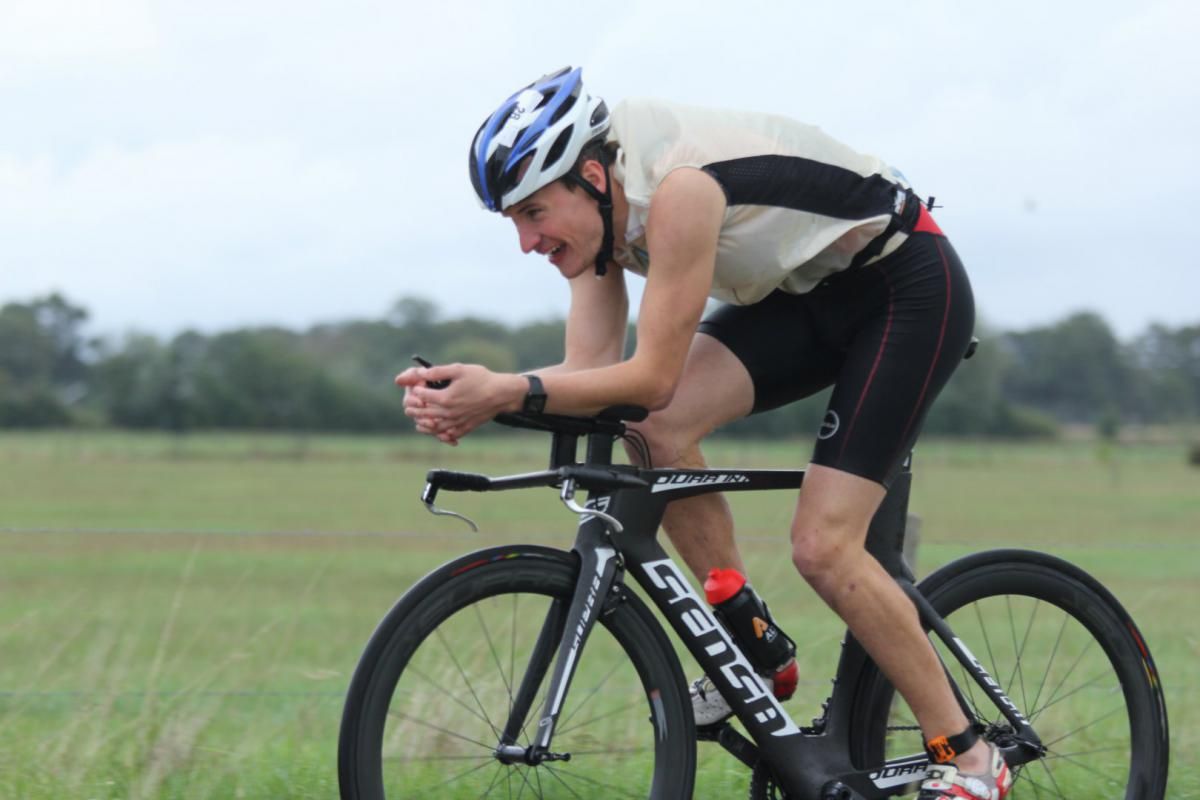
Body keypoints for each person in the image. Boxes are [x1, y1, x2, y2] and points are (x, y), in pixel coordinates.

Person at [396, 66, 1011, 800]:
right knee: (652, 430)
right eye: (513, 221)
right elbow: (592, 379)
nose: (527, 241)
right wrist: (484, 397)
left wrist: (503, 391)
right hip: (805, 294)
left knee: (823, 546)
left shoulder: (678, 190)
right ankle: (749, 639)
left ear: (592, 174)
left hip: (903, 285)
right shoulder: (597, 228)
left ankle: (972, 756)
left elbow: (649, 373)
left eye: (534, 212)